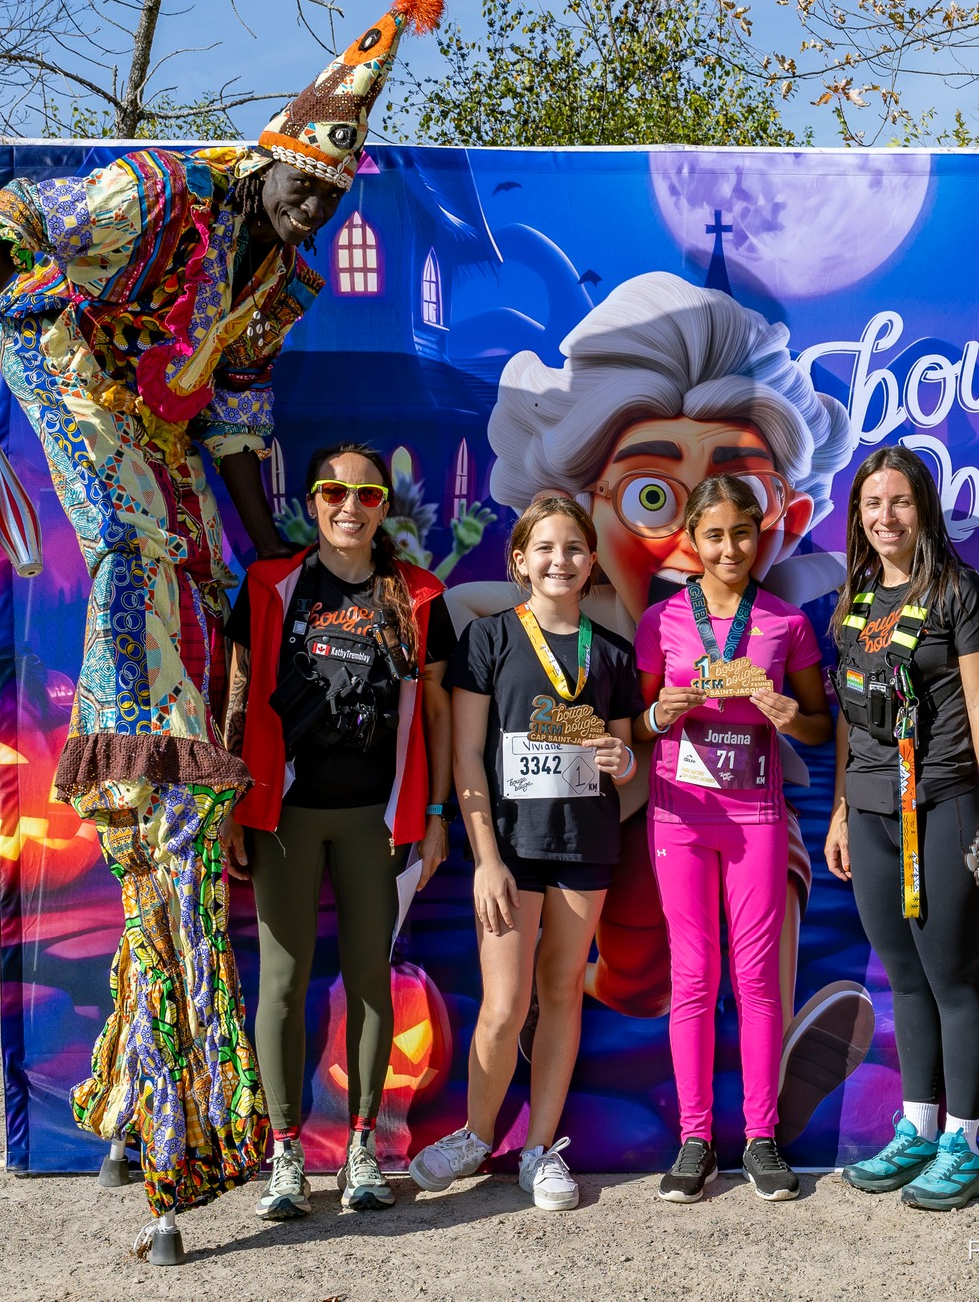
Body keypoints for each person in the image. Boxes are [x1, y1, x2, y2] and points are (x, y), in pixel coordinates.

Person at [0, 0, 442, 1264]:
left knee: (204, 583)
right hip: (60, 360)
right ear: (267, 161)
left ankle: (172, 734)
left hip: (159, 423)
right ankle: (135, 727)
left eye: (329, 203)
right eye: (300, 189)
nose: (309, 212)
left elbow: (237, 424)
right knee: (129, 541)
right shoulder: (162, 190)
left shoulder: (281, 287)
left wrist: (275, 556)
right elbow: (13, 220)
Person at [446, 272, 874, 1148]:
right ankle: (536, 1058)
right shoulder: (546, 622)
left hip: (730, 812)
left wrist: (774, 713)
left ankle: (771, 1074)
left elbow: (818, 711)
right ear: (587, 510)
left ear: (782, 519)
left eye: (738, 509)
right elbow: (478, 688)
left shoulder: (782, 614)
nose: (692, 539)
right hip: (599, 835)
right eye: (651, 495)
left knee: (771, 889)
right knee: (627, 978)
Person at [224, 443, 454, 1217]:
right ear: (312, 501)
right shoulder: (271, 585)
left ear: (384, 506)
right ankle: (286, 1152)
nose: (349, 505)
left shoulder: (418, 594)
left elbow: (437, 714)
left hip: (376, 819)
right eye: (333, 491)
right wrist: (230, 806)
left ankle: (362, 1148)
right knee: (282, 983)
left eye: (366, 494)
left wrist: (435, 815)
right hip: (284, 814)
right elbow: (237, 695)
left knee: (370, 981)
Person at [410, 497, 643, 1211]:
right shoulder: (489, 638)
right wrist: (485, 858)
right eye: (544, 547)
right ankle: (478, 1134)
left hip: (584, 844)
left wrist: (623, 760)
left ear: (592, 561)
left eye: (573, 548)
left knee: (562, 991)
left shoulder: (613, 652)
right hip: (509, 850)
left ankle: (540, 1148)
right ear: (520, 560)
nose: (559, 560)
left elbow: (624, 756)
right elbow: (467, 757)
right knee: (505, 1004)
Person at [824, 445, 979, 1211]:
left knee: (952, 976)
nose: (886, 516)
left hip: (943, 803)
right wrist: (842, 809)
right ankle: (917, 1128)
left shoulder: (959, 593)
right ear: (858, 515)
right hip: (871, 810)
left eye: (900, 501)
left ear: (924, 510)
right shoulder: (855, 600)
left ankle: (963, 1145)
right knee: (903, 978)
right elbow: (850, 718)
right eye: (873, 503)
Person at [632, 476, 832, 1203]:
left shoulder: (786, 623)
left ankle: (760, 1137)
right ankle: (695, 1139)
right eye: (713, 535)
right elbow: (634, 726)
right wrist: (660, 714)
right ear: (691, 539)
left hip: (755, 820)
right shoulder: (660, 620)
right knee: (692, 977)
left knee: (757, 979)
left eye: (742, 534)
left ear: (760, 537)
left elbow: (820, 726)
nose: (728, 549)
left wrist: (788, 716)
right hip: (680, 817)